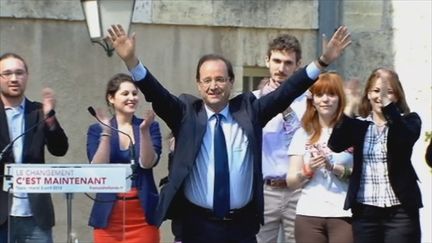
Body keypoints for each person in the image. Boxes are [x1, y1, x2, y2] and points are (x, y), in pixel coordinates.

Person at [107, 24, 351, 242]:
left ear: (231, 82)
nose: (214, 85)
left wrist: (322, 61)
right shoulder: (185, 113)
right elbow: (156, 93)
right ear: (198, 84)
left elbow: (287, 91)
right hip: (196, 226)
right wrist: (131, 62)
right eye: (208, 80)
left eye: (220, 79)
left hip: (240, 228)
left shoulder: (249, 110)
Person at [328, 68, 422, 243]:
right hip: (366, 211)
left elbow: (404, 139)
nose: (381, 96)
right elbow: (335, 144)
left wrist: (388, 107)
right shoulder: (359, 125)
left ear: (397, 96)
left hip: (400, 211)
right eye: (376, 91)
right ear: (368, 94)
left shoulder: (409, 120)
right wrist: (349, 106)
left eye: (388, 92)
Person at [0, 53, 69, 242]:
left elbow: (60, 149)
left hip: (35, 215)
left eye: (19, 73)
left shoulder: (38, 112)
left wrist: (50, 118)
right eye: (7, 73)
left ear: (26, 77)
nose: (14, 79)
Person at [86, 73, 162, 243]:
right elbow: (98, 169)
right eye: (125, 94)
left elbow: (147, 163)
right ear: (111, 98)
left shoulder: (150, 126)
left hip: (142, 215)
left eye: (134, 93)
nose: (132, 98)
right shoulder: (96, 130)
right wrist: (106, 131)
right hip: (109, 215)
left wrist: (144, 131)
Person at [286, 72, 353, 243]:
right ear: (312, 100)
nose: (325, 99)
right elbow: (291, 181)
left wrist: (335, 168)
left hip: (343, 213)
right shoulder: (302, 134)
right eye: (320, 94)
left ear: (340, 99)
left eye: (331, 94)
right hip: (309, 213)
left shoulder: (352, 131)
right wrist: (308, 170)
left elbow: (361, 175)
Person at [253, 34, 306, 243]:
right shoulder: (254, 100)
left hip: (300, 189)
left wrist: (284, 105)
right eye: (276, 61)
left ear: (297, 65)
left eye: (288, 63)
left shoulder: (310, 102)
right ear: (267, 61)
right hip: (266, 189)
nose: (281, 68)